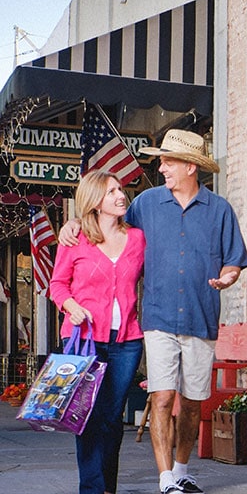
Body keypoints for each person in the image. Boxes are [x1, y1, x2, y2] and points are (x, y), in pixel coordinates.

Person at [61, 129, 247, 494]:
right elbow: (105, 221)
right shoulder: (146, 204)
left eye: (168, 161)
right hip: (158, 318)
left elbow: (234, 262)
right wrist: (74, 222)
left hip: (201, 317)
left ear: (191, 167)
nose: (161, 167)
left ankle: (180, 470)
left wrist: (228, 279)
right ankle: (165, 481)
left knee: (192, 403)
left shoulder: (220, 210)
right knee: (162, 397)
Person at [49, 170, 146, 494]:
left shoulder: (136, 239)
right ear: (94, 202)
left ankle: (108, 485)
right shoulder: (76, 239)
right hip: (84, 338)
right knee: (87, 415)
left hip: (126, 340)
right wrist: (71, 307)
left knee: (111, 416)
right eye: (111, 192)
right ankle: (92, 488)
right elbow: (57, 285)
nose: (121, 196)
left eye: (120, 189)